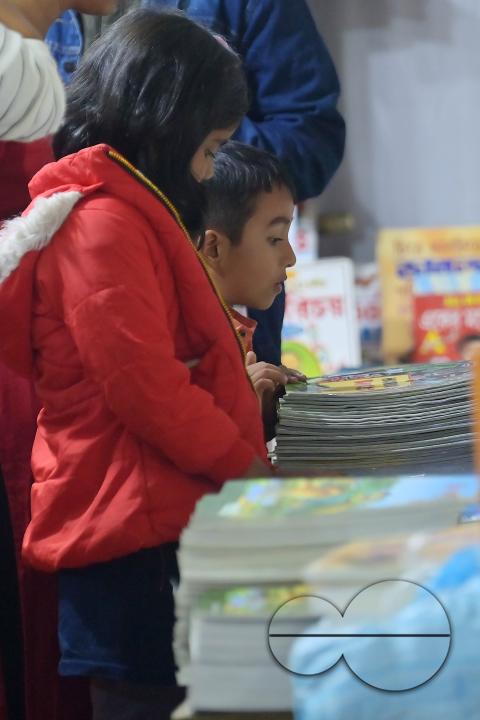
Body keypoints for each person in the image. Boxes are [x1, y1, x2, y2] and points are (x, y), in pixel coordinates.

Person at [0, 8, 269, 719]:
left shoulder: (126, 207)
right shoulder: (103, 221)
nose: (209, 169)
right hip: (129, 534)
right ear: (169, 122)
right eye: (209, 149)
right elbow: (147, 389)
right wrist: (248, 472)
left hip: (145, 519)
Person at [141, 0, 346, 367]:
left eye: (211, 150)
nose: (290, 258)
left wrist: (197, 127)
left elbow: (313, 141)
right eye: (275, 239)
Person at [199, 140, 305, 439]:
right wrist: (239, 406)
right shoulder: (178, 349)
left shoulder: (231, 331)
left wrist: (266, 415)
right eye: (275, 239)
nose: (291, 257)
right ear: (214, 247)